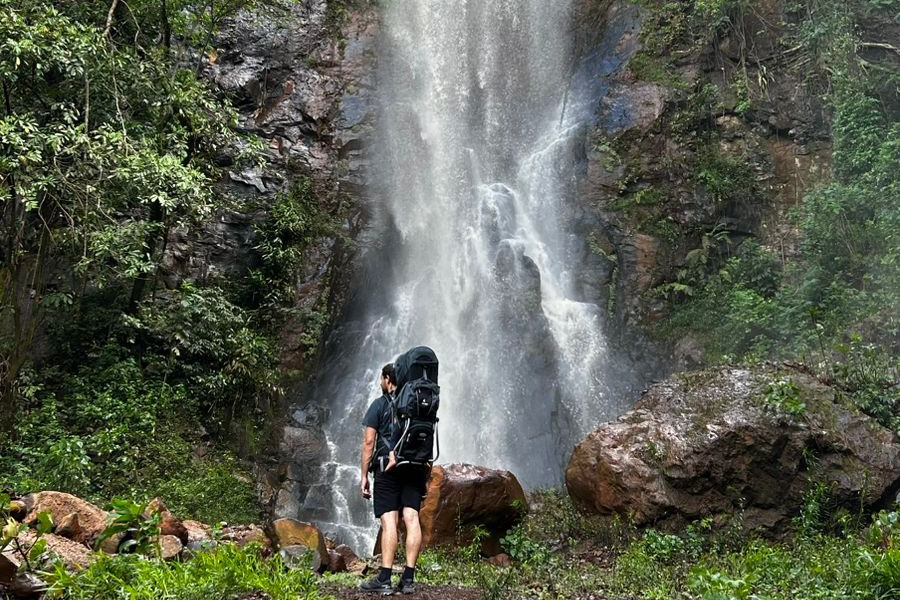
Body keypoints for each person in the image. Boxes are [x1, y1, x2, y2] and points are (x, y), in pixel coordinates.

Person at [359, 363, 429, 595]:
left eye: (382, 379)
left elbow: (369, 443)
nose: (380, 383)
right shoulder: (417, 404)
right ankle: (408, 579)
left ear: (388, 379)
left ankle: (385, 578)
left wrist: (364, 476)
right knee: (411, 517)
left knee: (389, 520)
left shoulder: (379, 405)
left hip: (388, 469)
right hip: (416, 466)